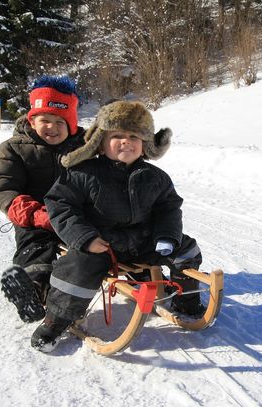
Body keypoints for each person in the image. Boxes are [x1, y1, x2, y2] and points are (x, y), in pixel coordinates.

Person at [31, 100, 205, 352]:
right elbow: (60, 204)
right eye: (117, 136)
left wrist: (167, 236)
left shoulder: (155, 177)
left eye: (134, 136)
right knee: (78, 266)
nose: (126, 141)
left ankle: (185, 300)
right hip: (101, 244)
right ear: (100, 142)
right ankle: (57, 318)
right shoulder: (83, 172)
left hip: (144, 241)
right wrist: (85, 237)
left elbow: (169, 207)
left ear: (145, 144)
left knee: (188, 249)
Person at [0, 76, 85, 323]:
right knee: (36, 245)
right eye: (45, 120)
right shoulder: (14, 149)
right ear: (32, 120)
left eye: (59, 122)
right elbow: (3, 189)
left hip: (76, 215)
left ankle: (149, 277)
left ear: (72, 125)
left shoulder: (84, 148)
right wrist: (34, 214)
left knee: (112, 237)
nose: (51, 127)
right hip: (36, 216)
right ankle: (32, 288)